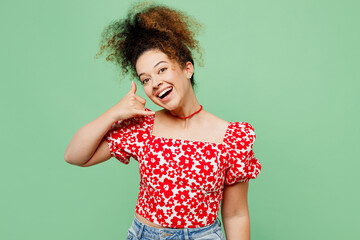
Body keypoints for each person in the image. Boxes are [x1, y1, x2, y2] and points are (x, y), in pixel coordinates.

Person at [64, 2, 261, 239]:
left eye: (162, 70)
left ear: (187, 68)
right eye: (145, 79)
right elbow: (75, 156)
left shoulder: (232, 138)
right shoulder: (142, 126)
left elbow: (236, 214)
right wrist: (114, 112)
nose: (155, 83)